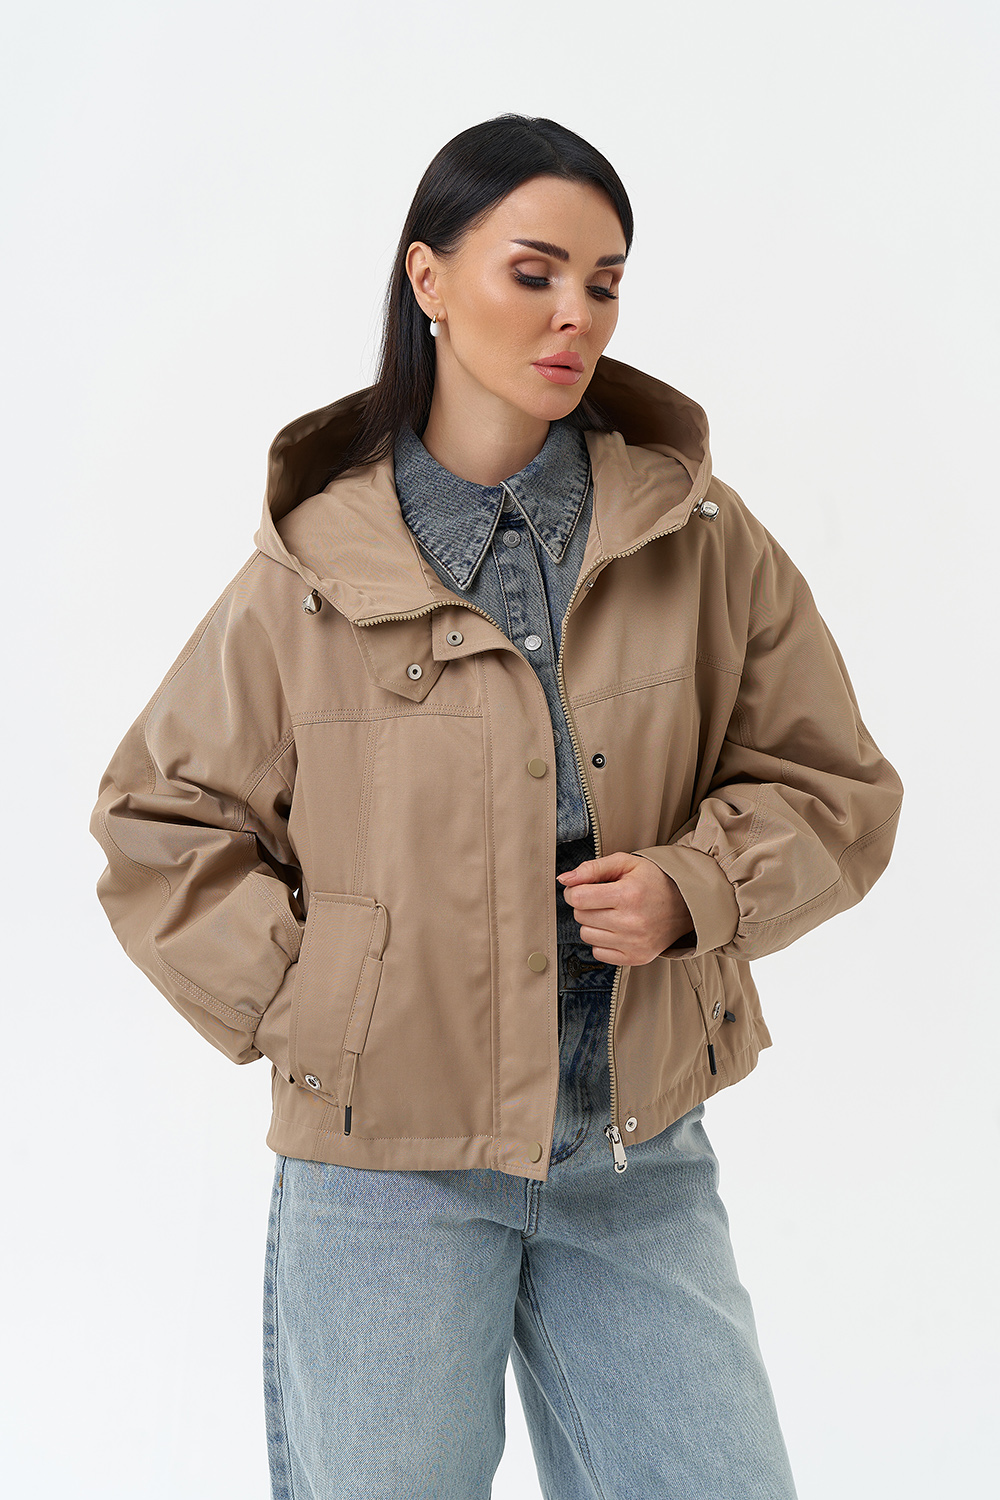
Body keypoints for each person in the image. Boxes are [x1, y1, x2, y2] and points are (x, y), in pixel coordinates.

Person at [90, 115, 904, 1499]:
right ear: (428, 278)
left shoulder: (697, 539)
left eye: (605, 282)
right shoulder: (314, 570)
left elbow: (837, 785)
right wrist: (324, 1006)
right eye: (534, 273)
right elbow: (157, 822)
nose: (575, 313)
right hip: (386, 1172)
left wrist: (698, 887)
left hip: (634, 1146)